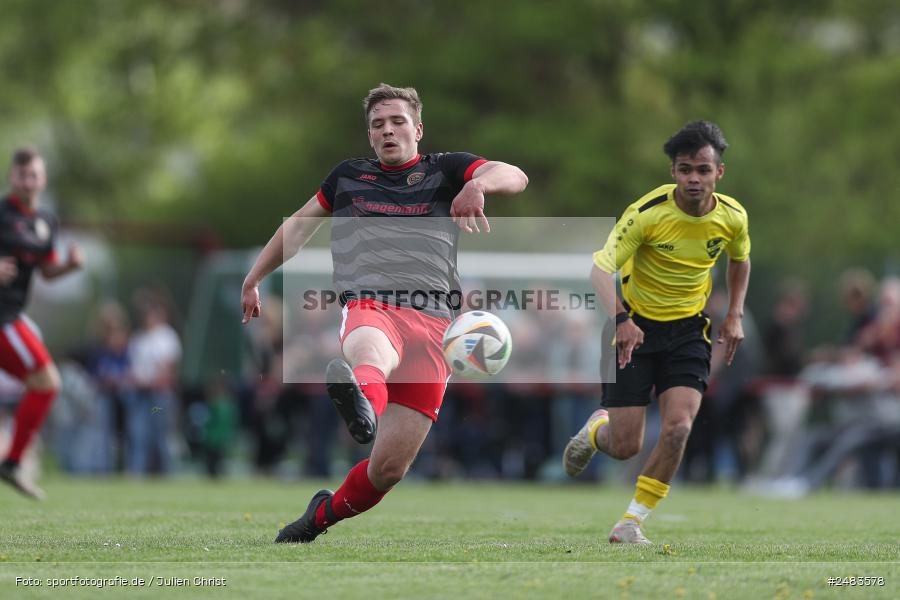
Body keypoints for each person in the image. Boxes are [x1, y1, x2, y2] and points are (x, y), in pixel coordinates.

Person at [240, 83, 528, 543]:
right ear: (370, 135)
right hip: (371, 302)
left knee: (387, 471)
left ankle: (319, 517)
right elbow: (296, 229)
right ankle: (363, 405)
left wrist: (477, 183)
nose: (388, 131)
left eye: (397, 122)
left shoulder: (448, 169)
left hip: (438, 326)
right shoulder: (348, 177)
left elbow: (514, 175)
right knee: (372, 350)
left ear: (418, 128)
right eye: (378, 125)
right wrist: (253, 278)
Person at [563, 121, 751, 544]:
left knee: (679, 428)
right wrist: (623, 319)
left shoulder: (733, 217)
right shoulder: (646, 214)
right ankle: (597, 430)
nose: (694, 179)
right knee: (626, 444)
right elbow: (599, 271)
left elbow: (740, 259)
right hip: (635, 329)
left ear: (719, 172)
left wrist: (735, 311)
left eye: (703, 170)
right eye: (685, 169)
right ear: (673, 171)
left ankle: (631, 522)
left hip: (688, 331)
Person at [0, 147, 83, 499]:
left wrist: (69, 266)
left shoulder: (46, 221)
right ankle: (14, 461)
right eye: (21, 175)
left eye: (33, 174)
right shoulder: (1, 213)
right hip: (2, 317)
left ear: (42, 179)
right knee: (47, 382)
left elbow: (46, 272)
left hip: (13, 316)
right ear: (11, 177)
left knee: (44, 384)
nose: (27, 181)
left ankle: (14, 461)